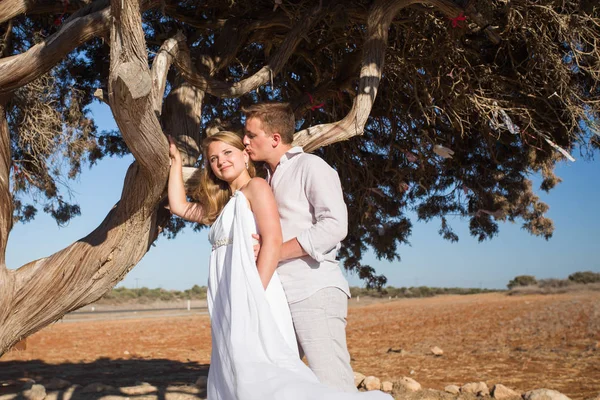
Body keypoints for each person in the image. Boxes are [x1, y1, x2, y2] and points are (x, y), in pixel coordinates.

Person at [167, 131, 391, 400]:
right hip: (229, 298)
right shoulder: (223, 205)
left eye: (227, 152)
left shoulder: (258, 187)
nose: (220, 161)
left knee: (266, 375)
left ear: (244, 154)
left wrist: (253, 295)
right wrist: (176, 162)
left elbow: (273, 239)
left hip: (253, 292)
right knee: (238, 372)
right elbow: (179, 206)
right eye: (213, 158)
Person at [242, 102, 356, 392]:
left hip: (314, 291)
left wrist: (275, 251)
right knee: (280, 382)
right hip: (279, 296)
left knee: (333, 384)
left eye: (250, 135)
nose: (244, 141)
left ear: (275, 139)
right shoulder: (263, 179)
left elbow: (334, 225)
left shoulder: (311, 166)